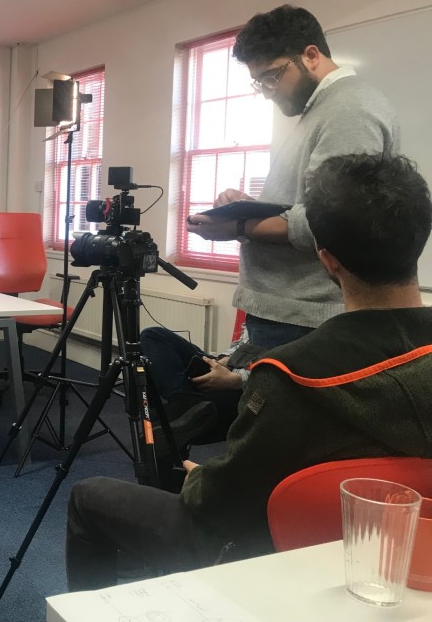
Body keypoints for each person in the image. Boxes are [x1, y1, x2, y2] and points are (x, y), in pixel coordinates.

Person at [66, 153, 432, 591]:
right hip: (400, 549)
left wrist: (200, 478)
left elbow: (220, 501)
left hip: (265, 551)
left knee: (88, 497)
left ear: (327, 260)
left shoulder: (291, 375)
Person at [186, 5, 400, 350]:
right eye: (259, 82)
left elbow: (328, 219)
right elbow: (307, 203)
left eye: (272, 75)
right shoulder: (322, 110)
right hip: (289, 313)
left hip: (303, 319)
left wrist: (237, 228)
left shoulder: (349, 111)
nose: (268, 90)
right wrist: (249, 207)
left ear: (311, 56)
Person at [140, 324, 259, 445]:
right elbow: (241, 344)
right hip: (228, 367)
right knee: (152, 336)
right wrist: (220, 361)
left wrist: (237, 380)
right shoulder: (256, 310)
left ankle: (183, 412)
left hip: (248, 385)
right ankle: (184, 403)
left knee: (163, 420)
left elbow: (274, 372)